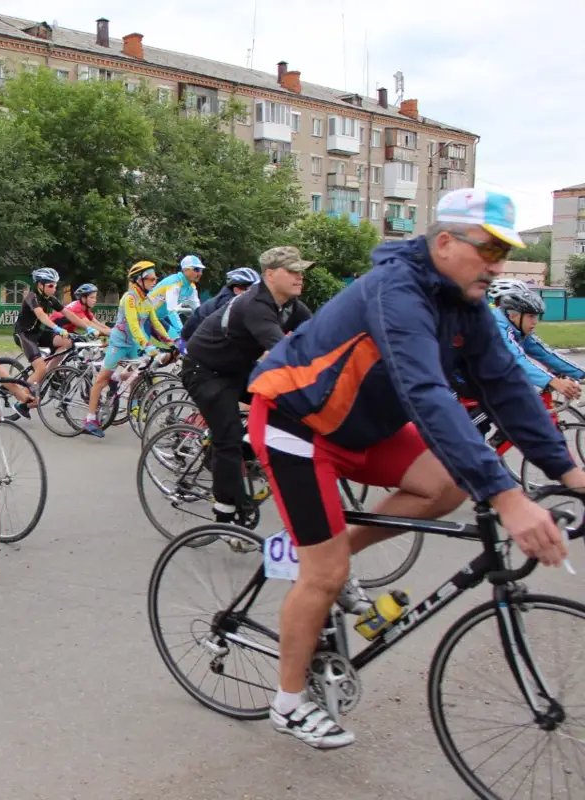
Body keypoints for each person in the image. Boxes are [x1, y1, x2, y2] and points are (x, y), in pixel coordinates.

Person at [245, 188, 585, 750]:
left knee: (445, 485)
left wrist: (570, 473)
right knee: (323, 575)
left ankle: (331, 557)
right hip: (295, 422)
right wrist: (507, 497)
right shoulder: (396, 291)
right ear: (445, 243)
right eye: (489, 250)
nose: (497, 266)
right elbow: (427, 393)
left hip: (360, 426)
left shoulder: (466, 305)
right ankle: (288, 700)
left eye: (504, 253)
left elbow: (505, 387)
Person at [183, 247, 312, 521]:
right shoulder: (255, 305)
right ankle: (226, 510)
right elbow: (283, 353)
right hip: (206, 371)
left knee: (289, 409)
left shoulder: (292, 307)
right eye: (292, 271)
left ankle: (241, 453)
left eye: (301, 271)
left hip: (239, 371)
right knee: (227, 439)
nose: (300, 277)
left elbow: (320, 337)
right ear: (270, 274)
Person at [81, 262, 175, 438]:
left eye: (156, 278)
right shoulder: (129, 298)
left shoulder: (146, 300)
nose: (155, 281)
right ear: (139, 280)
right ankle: (90, 418)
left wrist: (172, 341)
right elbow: (133, 325)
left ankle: (132, 403)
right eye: (151, 278)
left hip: (133, 344)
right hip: (118, 343)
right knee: (101, 380)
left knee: (138, 374)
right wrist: (147, 345)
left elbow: (155, 323)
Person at [485, 279, 584, 399]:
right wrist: (552, 381)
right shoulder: (497, 327)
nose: (535, 322)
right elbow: (516, 360)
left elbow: (545, 353)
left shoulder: (518, 327)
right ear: (512, 314)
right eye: (531, 316)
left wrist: (581, 374)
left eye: (536, 316)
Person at [13, 267, 74, 392]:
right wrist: (56, 327)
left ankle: (50, 372)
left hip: (38, 333)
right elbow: (41, 315)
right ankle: (22, 402)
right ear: (40, 285)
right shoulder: (31, 296)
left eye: (55, 285)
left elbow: (67, 313)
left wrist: (88, 328)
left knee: (67, 342)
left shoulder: (49, 299)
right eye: (51, 285)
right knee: (40, 369)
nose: (54, 289)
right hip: (24, 335)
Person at [180, 267, 260, 341]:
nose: (256, 293)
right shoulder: (226, 305)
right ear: (237, 290)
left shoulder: (233, 301)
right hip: (194, 343)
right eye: (252, 289)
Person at [149, 255, 205, 339]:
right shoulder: (174, 283)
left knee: (178, 345)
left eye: (201, 270)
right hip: (143, 318)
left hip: (158, 319)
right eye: (196, 269)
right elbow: (171, 311)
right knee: (149, 350)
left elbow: (198, 311)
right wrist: (182, 332)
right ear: (185, 270)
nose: (200, 273)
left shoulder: (191, 287)